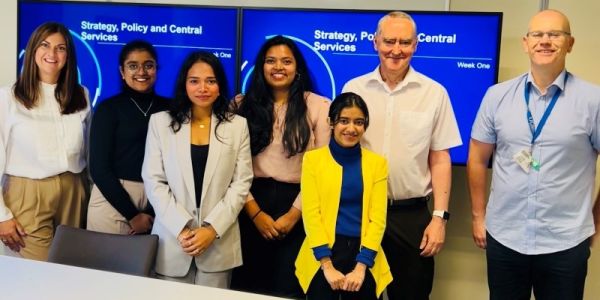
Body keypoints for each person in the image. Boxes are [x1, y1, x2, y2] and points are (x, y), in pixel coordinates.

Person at [467, 9, 600, 300]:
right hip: (505, 236)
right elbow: (477, 157)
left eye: (555, 34)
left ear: (570, 43)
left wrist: (596, 223)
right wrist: (479, 216)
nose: (546, 41)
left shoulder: (593, 101)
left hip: (565, 241)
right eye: (538, 35)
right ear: (526, 43)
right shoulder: (497, 96)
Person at [342, 11, 462, 299]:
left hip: (410, 216)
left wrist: (439, 218)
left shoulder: (434, 93)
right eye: (389, 41)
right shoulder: (354, 89)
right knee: (355, 293)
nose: (396, 50)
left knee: (412, 293)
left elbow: (440, 158)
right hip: (359, 213)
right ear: (375, 42)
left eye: (405, 42)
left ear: (416, 45)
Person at [141, 51, 252, 287]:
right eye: (194, 81)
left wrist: (212, 229)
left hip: (218, 244)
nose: (203, 88)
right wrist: (182, 229)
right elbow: (153, 180)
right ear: (185, 84)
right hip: (172, 241)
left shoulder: (237, 126)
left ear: (220, 86)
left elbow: (241, 182)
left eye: (210, 81)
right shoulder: (160, 123)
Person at [231, 35, 330, 298]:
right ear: (261, 66)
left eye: (286, 61)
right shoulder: (240, 106)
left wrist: (293, 216)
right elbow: (230, 169)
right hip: (248, 203)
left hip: (300, 205)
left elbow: (321, 171)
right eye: (271, 61)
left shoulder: (319, 107)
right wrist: (255, 214)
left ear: (297, 68)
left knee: (288, 287)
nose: (278, 67)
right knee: (247, 287)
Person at [0, 22, 90, 261]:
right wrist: (2, 215)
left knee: (71, 268)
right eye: (45, 45)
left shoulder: (81, 95)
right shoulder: (7, 98)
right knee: (38, 273)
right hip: (28, 193)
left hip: (74, 189)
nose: (52, 54)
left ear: (68, 55)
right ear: (32, 50)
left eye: (61, 48)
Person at [295, 92, 392, 300]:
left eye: (358, 122)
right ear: (331, 122)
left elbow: (378, 220)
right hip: (322, 253)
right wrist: (327, 266)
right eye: (344, 121)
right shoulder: (313, 160)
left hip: (364, 254)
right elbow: (312, 215)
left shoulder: (377, 164)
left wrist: (361, 267)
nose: (351, 128)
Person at [87, 40, 169, 235]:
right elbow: (99, 168)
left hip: (158, 200)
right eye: (133, 66)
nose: (141, 72)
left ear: (156, 69)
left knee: (147, 266)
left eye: (148, 65)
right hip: (112, 199)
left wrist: (150, 212)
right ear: (122, 72)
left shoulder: (171, 109)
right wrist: (133, 215)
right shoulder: (108, 109)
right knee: (105, 265)